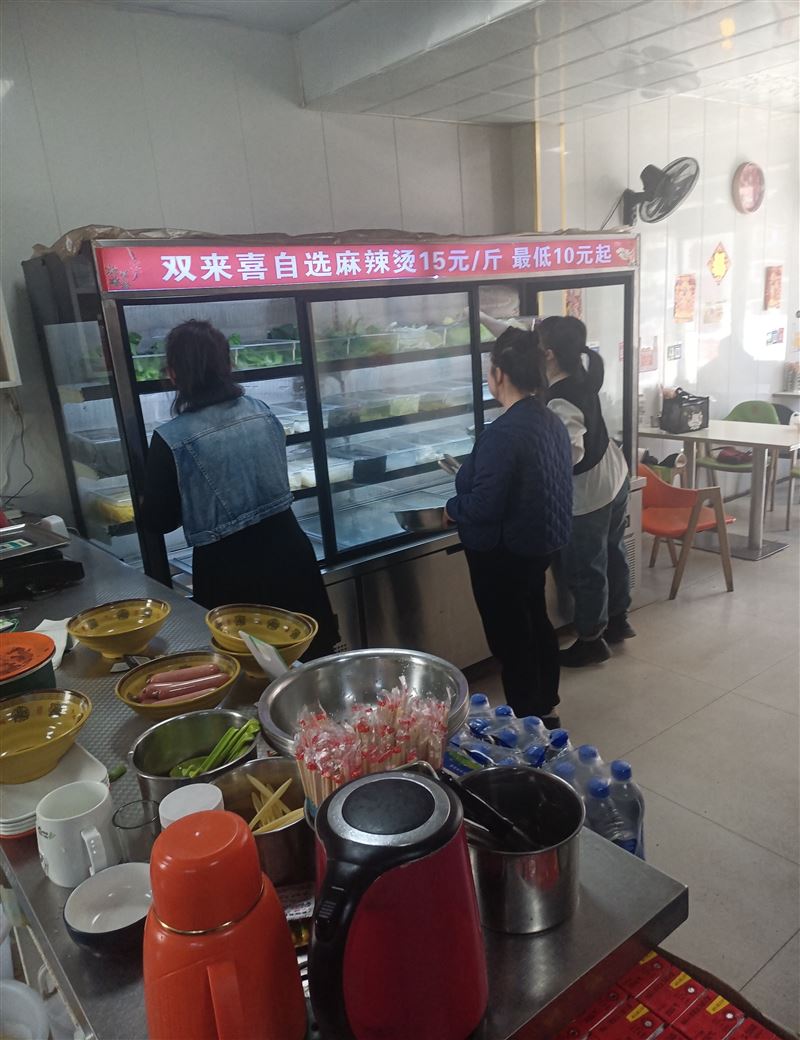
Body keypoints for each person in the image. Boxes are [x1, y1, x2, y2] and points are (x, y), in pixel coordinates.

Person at [141, 319, 339, 659]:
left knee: (250, 669)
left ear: (173, 374)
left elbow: (159, 520)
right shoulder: (262, 411)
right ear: (228, 365)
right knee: (306, 662)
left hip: (229, 572)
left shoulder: (171, 438)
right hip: (290, 554)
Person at [444, 328, 573, 723]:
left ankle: (527, 719)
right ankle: (545, 705)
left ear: (499, 374)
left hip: (503, 552)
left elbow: (485, 506)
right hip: (539, 542)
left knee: (512, 639)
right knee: (535, 622)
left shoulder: (502, 433)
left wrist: (452, 508)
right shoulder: (550, 420)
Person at [539, 316, 635, 667]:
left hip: (588, 491)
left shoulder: (559, 399)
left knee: (586, 567)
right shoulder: (581, 375)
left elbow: (571, 452)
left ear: (549, 354)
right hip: (614, 475)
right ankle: (618, 619)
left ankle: (592, 639)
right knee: (613, 551)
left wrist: (541, 471)